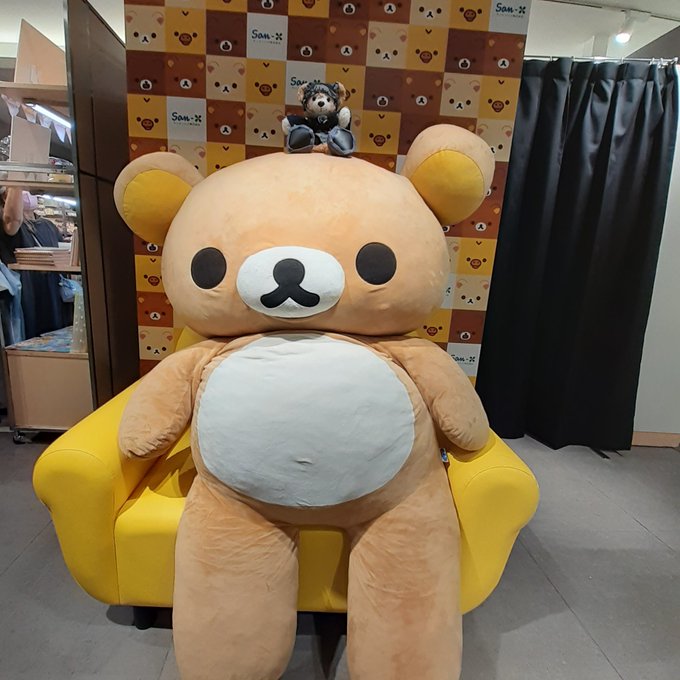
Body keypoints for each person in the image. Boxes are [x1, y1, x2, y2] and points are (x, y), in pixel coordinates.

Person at [0, 186, 71, 339]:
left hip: (54, 300)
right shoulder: (11, 228)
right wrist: (16, 184)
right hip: (29, 304)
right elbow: (13, 220)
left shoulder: (48, 226)